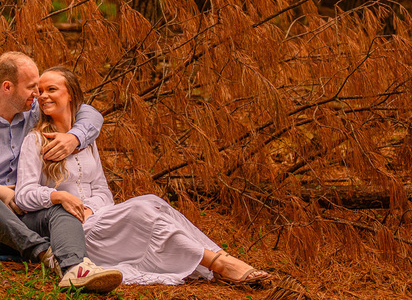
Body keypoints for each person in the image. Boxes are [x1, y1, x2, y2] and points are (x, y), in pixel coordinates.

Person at [14, 66, 273, 286]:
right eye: (40, 92)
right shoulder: (35, 140)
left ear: (71, 96)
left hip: (99, 218)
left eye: (51, 90)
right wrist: (58, 197)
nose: (43, 96)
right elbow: (24, 196)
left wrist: (92, 208)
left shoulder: (85, 141)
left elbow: (102, 190)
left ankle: (220, 259)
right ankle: (222, 264)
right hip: (73, 231)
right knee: (143, 210)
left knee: (151, 202)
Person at [0, 52, 124, 293]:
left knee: (60, 203)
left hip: (20, 220)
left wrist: (74, 138)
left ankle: (75, 268)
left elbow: (88, 112)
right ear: (8, 87)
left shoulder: (31, 113)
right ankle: (42, 252)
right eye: (32, 87)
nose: (38, 95)